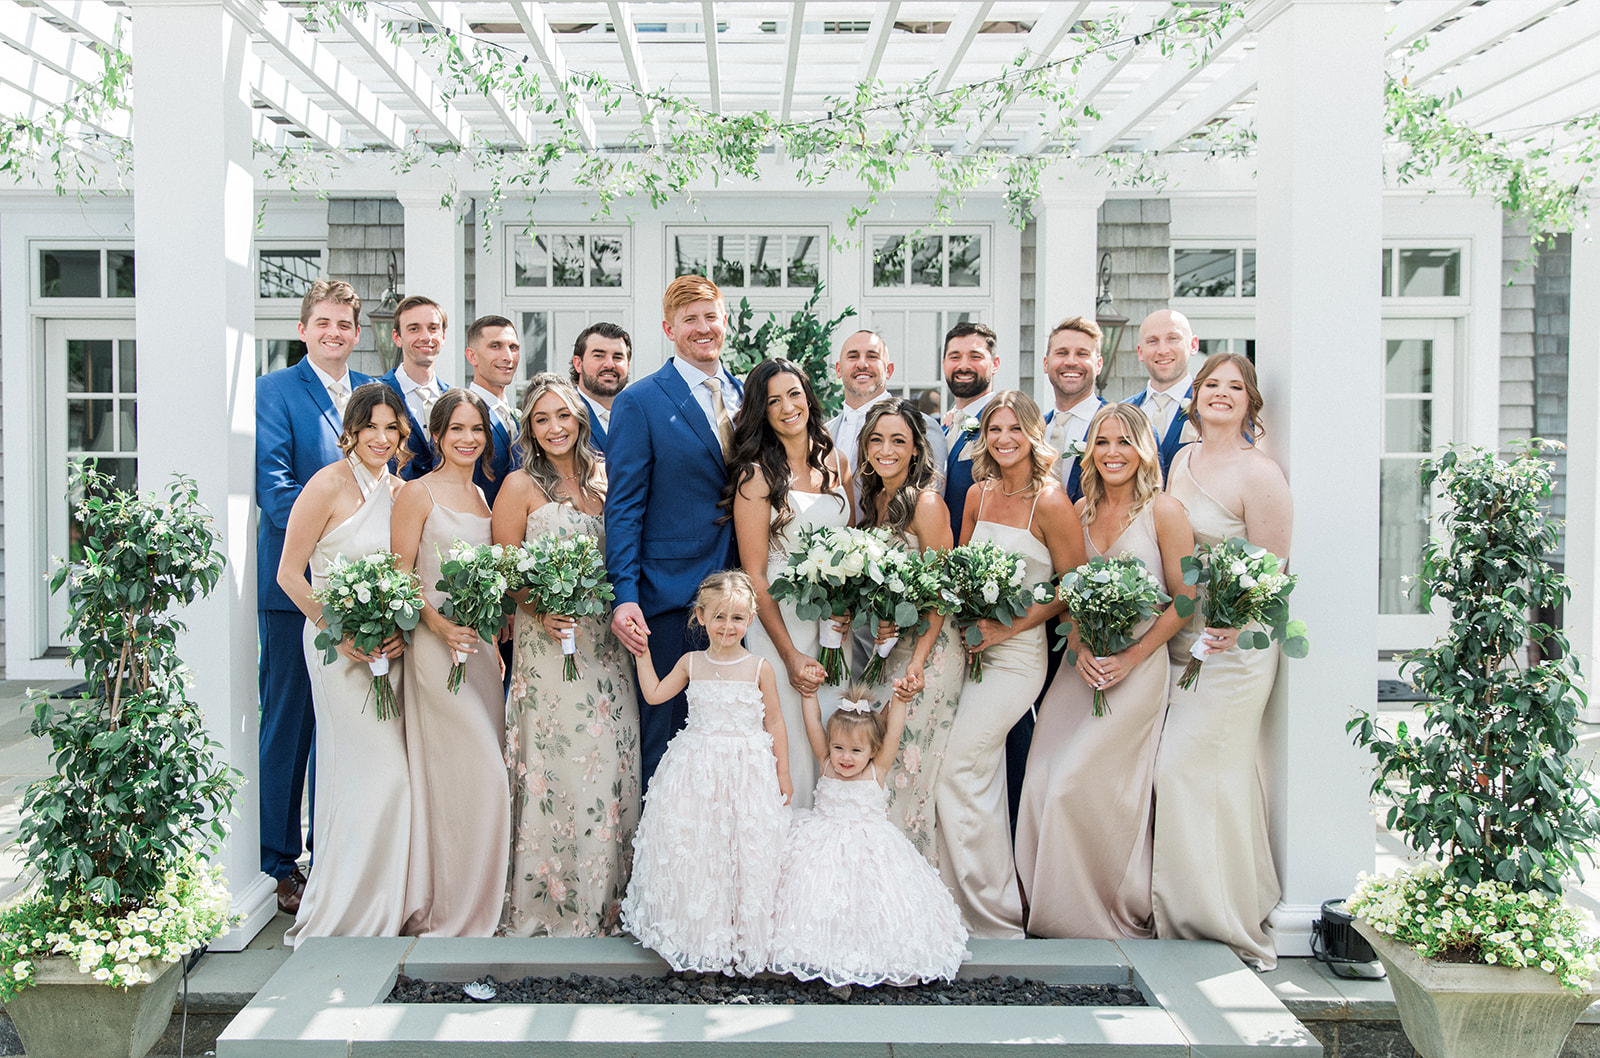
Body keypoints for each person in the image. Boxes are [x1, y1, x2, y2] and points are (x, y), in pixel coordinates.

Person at [1015, 402, 1194, 941]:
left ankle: (1093, 908)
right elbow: (1066, 593)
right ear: (1089, 450)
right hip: (1079, 666)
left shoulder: (1164, 510)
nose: (1112, 453)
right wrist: (1079, 648)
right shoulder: (1080, 510)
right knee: (1041, 779)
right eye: (1102, 442)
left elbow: (1186, 602)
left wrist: (1131, 658)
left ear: (1143, 450)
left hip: (1135, 670)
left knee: (1073, 784)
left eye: (1124, 442)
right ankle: (1040, 905)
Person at [1152, 353, 1292, 969]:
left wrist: (1235, 617)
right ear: (1196, 393)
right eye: (1212, 384)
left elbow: (1272, 567)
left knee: (1193, 769)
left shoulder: (1259, 473)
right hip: (1189, 641)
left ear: (1250, 402)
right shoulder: (1180, 460)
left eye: (1236, 388)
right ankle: (1223, 897)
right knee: (1208, 776)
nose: (1222, 394)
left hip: (1237, 648)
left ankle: (1220, 916)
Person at [934, 392, 1085, 938]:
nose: (1002, 440)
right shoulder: (976, 493)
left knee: (957, 764)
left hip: (1020, 655)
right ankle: (956, 899)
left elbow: (1075, 584)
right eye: (994, 430)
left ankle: (992, 912)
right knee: (978, 771)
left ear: (1032, 435)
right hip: (970, 647)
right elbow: (956, 566)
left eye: (1014, 430)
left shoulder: (1050, 501)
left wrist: (1009, 626)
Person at [495, 374, 640, 938]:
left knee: (612, 765)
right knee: (558, 767)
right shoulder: (518, 486)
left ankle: (612, 901)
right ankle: (551, 906)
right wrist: (541, 607)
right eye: (541, 419)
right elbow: (506, 570)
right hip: (548, 647)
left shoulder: (607, 477)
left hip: (606, 645)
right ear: (529, 428)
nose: (555, 428)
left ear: (580, 418)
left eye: (563, 415)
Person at [276, 384, 411, 944]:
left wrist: (398, 630)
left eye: (391, 428)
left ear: (403, 435)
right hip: (338, 651)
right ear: (351, 431)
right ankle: (346, 903)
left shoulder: (403, 492)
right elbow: (290, 575)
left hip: (389, 653)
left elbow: (410, 577)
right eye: (371, 427)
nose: (381, 438)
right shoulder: (325, 484)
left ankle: (386, 899)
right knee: (364, 773)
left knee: (394, 777)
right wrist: (341, 629)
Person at [255, 279, 374, 913]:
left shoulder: (367, 394)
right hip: (296, 589)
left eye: (345, 325)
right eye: (322, 322)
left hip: (365, 594)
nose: (334, 333)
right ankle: (278, 862)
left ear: (358, 333)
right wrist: (335, 544)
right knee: (289, 727)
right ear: (303, 328)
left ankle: (334, 851)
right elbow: (274, 487)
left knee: (347, 728)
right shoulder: (274, 391)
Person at [619, 571, 792, 976]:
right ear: (700, 616)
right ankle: (699, 931)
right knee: (701, 846)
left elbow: (776, 724)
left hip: (746, 769)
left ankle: (738, 931)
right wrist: (643, 655)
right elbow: (655, 694)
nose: (727, 627)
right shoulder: (691, 662)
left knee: (740, 846)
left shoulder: (759, 667)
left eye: (736, 618)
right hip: (696, 768)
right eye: (719, 617)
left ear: (749, 620)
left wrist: (783, 772)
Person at [607, 275, 743, 789]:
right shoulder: (640, 401)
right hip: (669, 598)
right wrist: (625, 595)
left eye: (711, 316)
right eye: (690, 320)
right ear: (669, 329)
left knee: (730, 736)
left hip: (743, 591)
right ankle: (659, 861)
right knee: (666, 741)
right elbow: (623, 507)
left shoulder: (748, 394)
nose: (703, 328)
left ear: (724, 320)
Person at [390, 389, 510, 937]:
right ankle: (452, 909)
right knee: (477, 775)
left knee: (473, 778)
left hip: (480, 655)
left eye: (476, 430)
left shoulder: (486, 501)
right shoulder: (417, 494)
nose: (467, 439)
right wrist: (439, 627)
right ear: (436, 436)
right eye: (456, 429)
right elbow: (400, 578)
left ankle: (479, 895)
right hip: (436, 654)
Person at [769, 684, 968, 987]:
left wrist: (900, 701)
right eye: (839, 748)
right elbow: (812, 725)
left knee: (870, 902)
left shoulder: (877, 771)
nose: (845, 758)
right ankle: (823, 955)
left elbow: (893, 733)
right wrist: (808, 696)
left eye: (856, 750)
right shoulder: (826, 764)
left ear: (872, 751)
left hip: (870, 849)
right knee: (820, 896)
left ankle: (869, 957)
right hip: (822, 845)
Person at [729, 358, 852, 809]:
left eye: (794, 394)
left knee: (835, 732)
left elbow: (852, 547)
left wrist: (849, 606)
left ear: (808, 396)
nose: (787, 407)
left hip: (834, 627)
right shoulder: (756, 476)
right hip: (780, 629)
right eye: (773, 400)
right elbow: (755, 576)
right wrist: (789, 654)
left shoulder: (837, 462)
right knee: (791, 745)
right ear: (761, 412)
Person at [854, 399, 962, 863]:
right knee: (883, 761)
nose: (886, 449)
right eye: (877, 439)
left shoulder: (927, 503)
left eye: (898, 440)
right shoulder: (871, 500)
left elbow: (941, 593)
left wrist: (917, 662)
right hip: (885, 649)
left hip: (928, 652)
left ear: (917, 449)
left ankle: (915, 879)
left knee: (910, 766)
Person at [825, 329, 947, 503]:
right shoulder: (823, 433)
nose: (862, 364)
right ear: (838, 370)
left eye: (872, 356)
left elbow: (932, 499)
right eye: (853, 356)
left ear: (888, 370)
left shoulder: (922, 426)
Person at [377, 295, 451, 480]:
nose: (426, 337)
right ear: (397, 337)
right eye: (414, 329)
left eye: (433, 328)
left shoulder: (453, 399)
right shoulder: (377, 393)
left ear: (442, 337)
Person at [939, 321, 1000, 544]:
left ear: (995, 364)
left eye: (975, 357)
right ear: (944, 363)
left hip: (980, 559)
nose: (963, 365)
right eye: (955, 357)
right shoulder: (941, 426)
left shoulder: (1003, 424)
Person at [1125, 309, 1199, 479]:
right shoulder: (1123, 411)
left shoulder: (1212, 406)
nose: (1163, 350)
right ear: (1140, 352)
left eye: (1173, 338)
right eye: (1152, 341)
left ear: (1193, 345)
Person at [1040, 316, 1106, 503]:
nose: (1071, 361)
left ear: (1098, 365)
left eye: (1082, 354)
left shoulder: (1120, 426)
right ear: (1046, 363)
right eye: (1061, 353)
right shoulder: (1034, 430)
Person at [463, 314, 524, 507]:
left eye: (513, 347)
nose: (507, 357)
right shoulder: (462, 415)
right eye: (495, 346)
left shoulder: (516, 417)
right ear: (472, 356)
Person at [569, 322, 632, 451]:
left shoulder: (639, 416)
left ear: (628, 366)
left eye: (617, 357)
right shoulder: (561, 415)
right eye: (598, 356)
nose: (609, 364)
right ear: (578, 363)